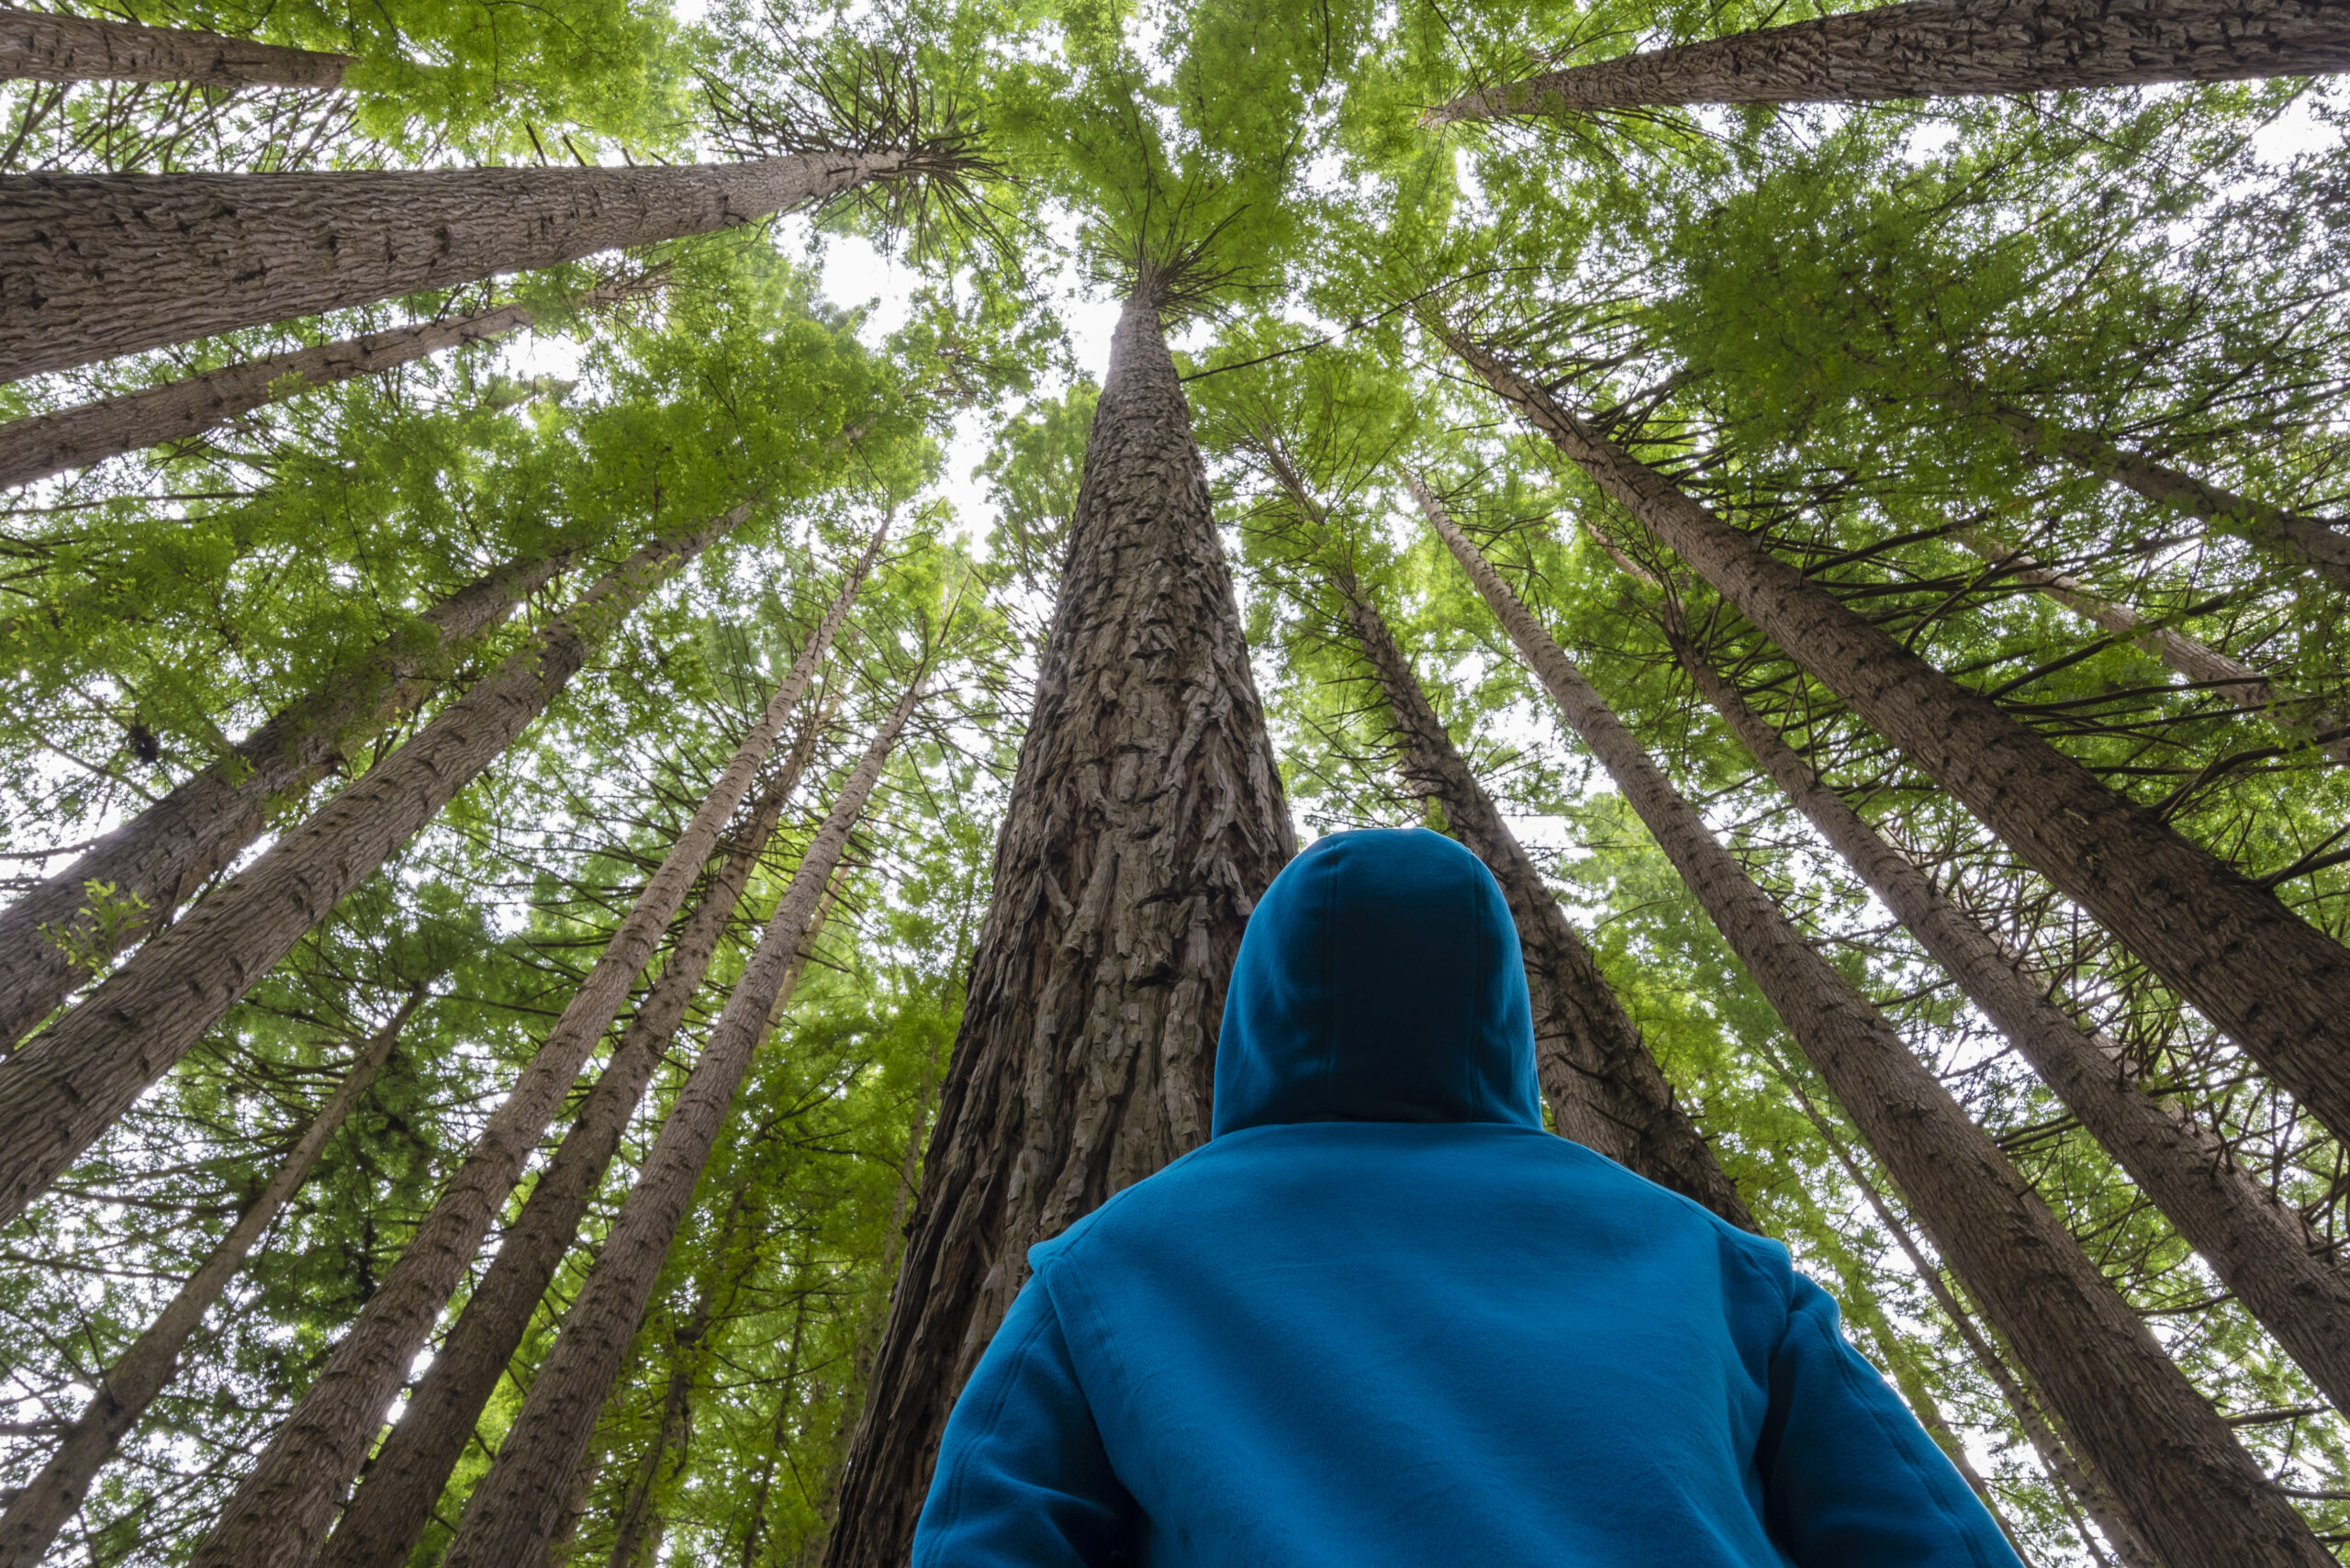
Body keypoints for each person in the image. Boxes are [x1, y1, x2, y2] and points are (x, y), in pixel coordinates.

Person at [912, 827, 2022, 1567]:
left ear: (1255, 1011)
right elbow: (1924, 1541)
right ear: (1494, 1005)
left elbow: (987, 1538)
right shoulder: (1710, 1259)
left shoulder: (1110, 1261)